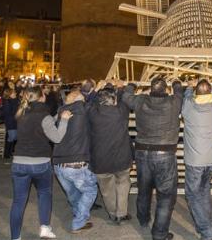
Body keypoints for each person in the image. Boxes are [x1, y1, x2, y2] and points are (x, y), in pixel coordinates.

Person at [122, 77, 183, 240]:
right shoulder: (173, 102)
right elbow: (179, 92)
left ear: (150, 89)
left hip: (142, 152)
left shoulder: (141, 100)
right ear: (165, 90)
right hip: (165, 155)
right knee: (165, 196)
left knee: (144, 189)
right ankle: (159, 233)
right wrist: (176, 82)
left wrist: (132, 84)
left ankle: (143, 220)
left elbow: (126, 97)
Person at [10, 86, 72, 240]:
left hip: (19, 162)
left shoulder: (21, 113)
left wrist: (54, 119)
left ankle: (15, 237)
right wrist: (63, 121)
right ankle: (44, 228)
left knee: (18, 201)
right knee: (44, 195)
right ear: (41, 97)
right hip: (40, 163)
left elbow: (36, 128)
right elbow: (56, 138)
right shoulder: (44, 115)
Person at [181, 79, 212, 240]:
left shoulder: (189, 106)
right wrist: (209, 84)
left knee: (192, 194)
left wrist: (190, 85)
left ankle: (207, 232)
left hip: (194, 161)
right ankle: (204, 223)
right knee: (204, 191)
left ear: (196, 93)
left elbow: (186, 96)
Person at [52, 89, 98, 234]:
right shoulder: (84, 110)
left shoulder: (61, 112)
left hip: (59, 164)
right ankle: (78, 222)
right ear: (80, 100)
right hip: (76, 163)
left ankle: (78, 213)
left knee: (72, 193)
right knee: (90, 190)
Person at [88, 80, 133, 225]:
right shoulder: (121, 112)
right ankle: (122, 213)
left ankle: (113, 214)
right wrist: (120, 86)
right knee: (123, 186)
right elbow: (124, 99)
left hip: (101, 161)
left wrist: (96, 89)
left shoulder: (93, 113)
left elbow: (89, 101)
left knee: (107, 190)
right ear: (113, 100)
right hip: (122, 159)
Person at [0, 88, 20, 161]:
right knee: (11, 137)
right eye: (14, 93)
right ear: (9, 94)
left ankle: (10, 152)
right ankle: (7, 153)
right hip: (10, 122)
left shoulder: (15, 101)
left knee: (13, 137)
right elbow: (8, 113)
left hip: (15, 121)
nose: (15, 94)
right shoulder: (7, 102)